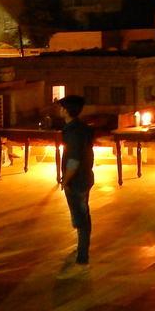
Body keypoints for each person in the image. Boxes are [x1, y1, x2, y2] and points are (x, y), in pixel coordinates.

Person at [58, 94, 95, 277]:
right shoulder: (82, 129)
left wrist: (65, 179)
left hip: (77, 180)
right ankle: (81, 250)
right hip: (85, 178)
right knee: (82, 216)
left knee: (81, 219)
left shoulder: (73, 132)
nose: (60, 110)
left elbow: (74, 159)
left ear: (66, 110)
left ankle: (82, 260)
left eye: (62, 107)